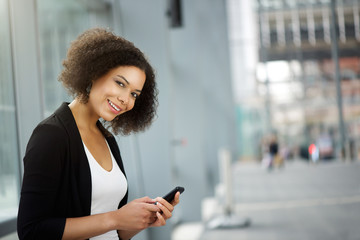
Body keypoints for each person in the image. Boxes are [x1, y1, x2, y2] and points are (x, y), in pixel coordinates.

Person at [17, 27, 181, 240]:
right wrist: (115, 218)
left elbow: (116, 232)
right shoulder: (51, 135)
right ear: (94, 72)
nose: (125, 99)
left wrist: (141, 219)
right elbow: (31, 231)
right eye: (120, 83)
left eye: (134, 94)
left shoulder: (107, 139)